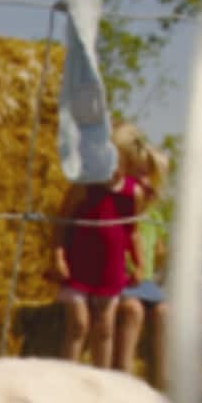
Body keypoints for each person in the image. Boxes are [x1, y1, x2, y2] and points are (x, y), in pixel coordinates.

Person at [49, 120, 157, 369]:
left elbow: (133, 231)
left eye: (118, 163)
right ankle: (67, 378)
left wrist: (138, 263)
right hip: (79, 266)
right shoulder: (84, 188)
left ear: (128, 165)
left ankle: (102, 382)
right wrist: (57, 256)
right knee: (78, 324)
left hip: (109, 270)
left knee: (105, 328)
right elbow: (62, 222)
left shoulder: (133, 194)